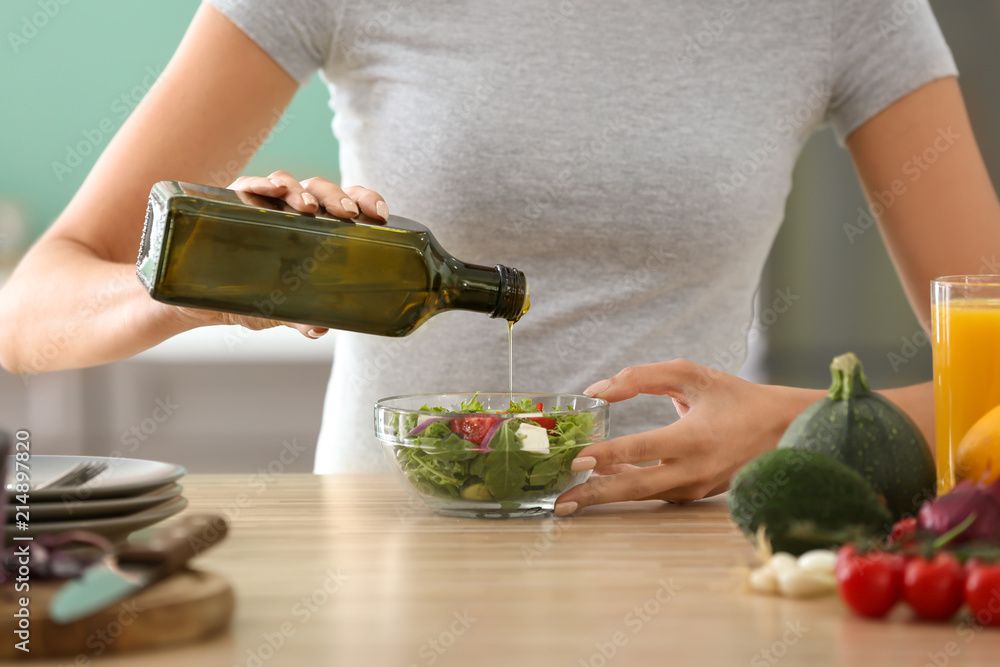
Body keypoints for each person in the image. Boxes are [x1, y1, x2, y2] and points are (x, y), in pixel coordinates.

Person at [1, 1, 998, 517]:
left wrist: (793, 426)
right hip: (382, 568)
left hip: (683, 573)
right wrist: (203, 284)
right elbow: (31, 309)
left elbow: (993, 393)